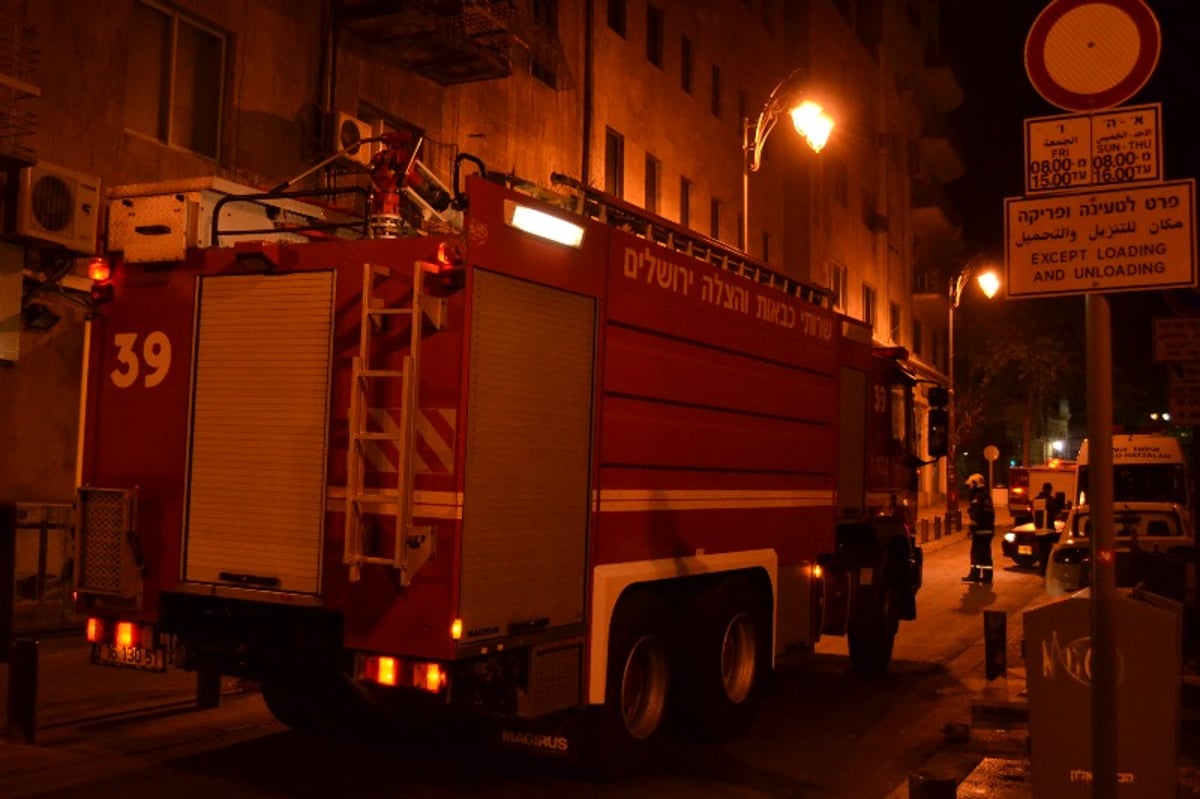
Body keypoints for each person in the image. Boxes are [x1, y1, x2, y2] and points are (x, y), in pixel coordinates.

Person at [962, 473, 995, 584]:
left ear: (975, 484)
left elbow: (975, 515)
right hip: (989, 530)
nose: (969, 487)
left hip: (980, 530)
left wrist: (971, 529)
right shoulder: (986, 497)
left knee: (976, 553)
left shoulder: (977, 497)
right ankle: (987, 576)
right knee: (986, 555)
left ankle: (974, 575)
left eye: (971, 484)